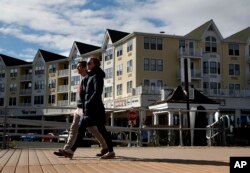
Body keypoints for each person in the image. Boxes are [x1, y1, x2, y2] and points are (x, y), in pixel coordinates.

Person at [62, 57, 115, 159]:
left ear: (95, 64)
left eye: (90, 63)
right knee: (98, 130)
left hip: (95, 109)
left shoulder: (97, 76)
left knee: (86, 129)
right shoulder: (89, 77)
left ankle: (71, 151)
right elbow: (85, 93)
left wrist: (88, 103)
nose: (88, 65)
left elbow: (97, 92)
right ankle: (110, 151)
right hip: (89, 109)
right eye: (87, 64)